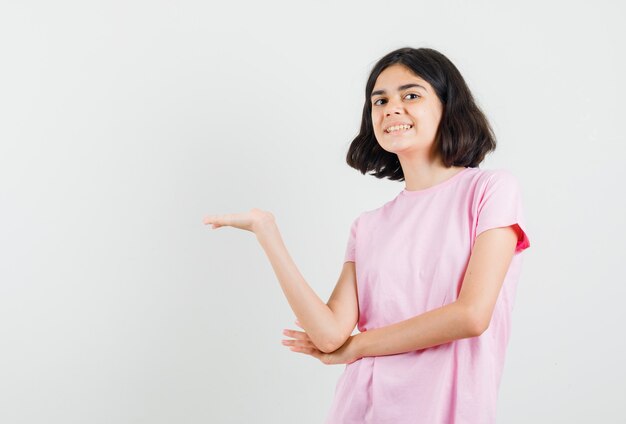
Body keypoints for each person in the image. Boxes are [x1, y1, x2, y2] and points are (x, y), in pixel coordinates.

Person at [203, 47, 531, 424]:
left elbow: (471, 316)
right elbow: (328, 337)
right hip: (362, 408)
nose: (392, 108)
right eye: (380, 100)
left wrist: (357, 346)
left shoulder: (490, 190)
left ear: (448, 106)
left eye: (411, 95)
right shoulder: (368, 226)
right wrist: (267, 233)